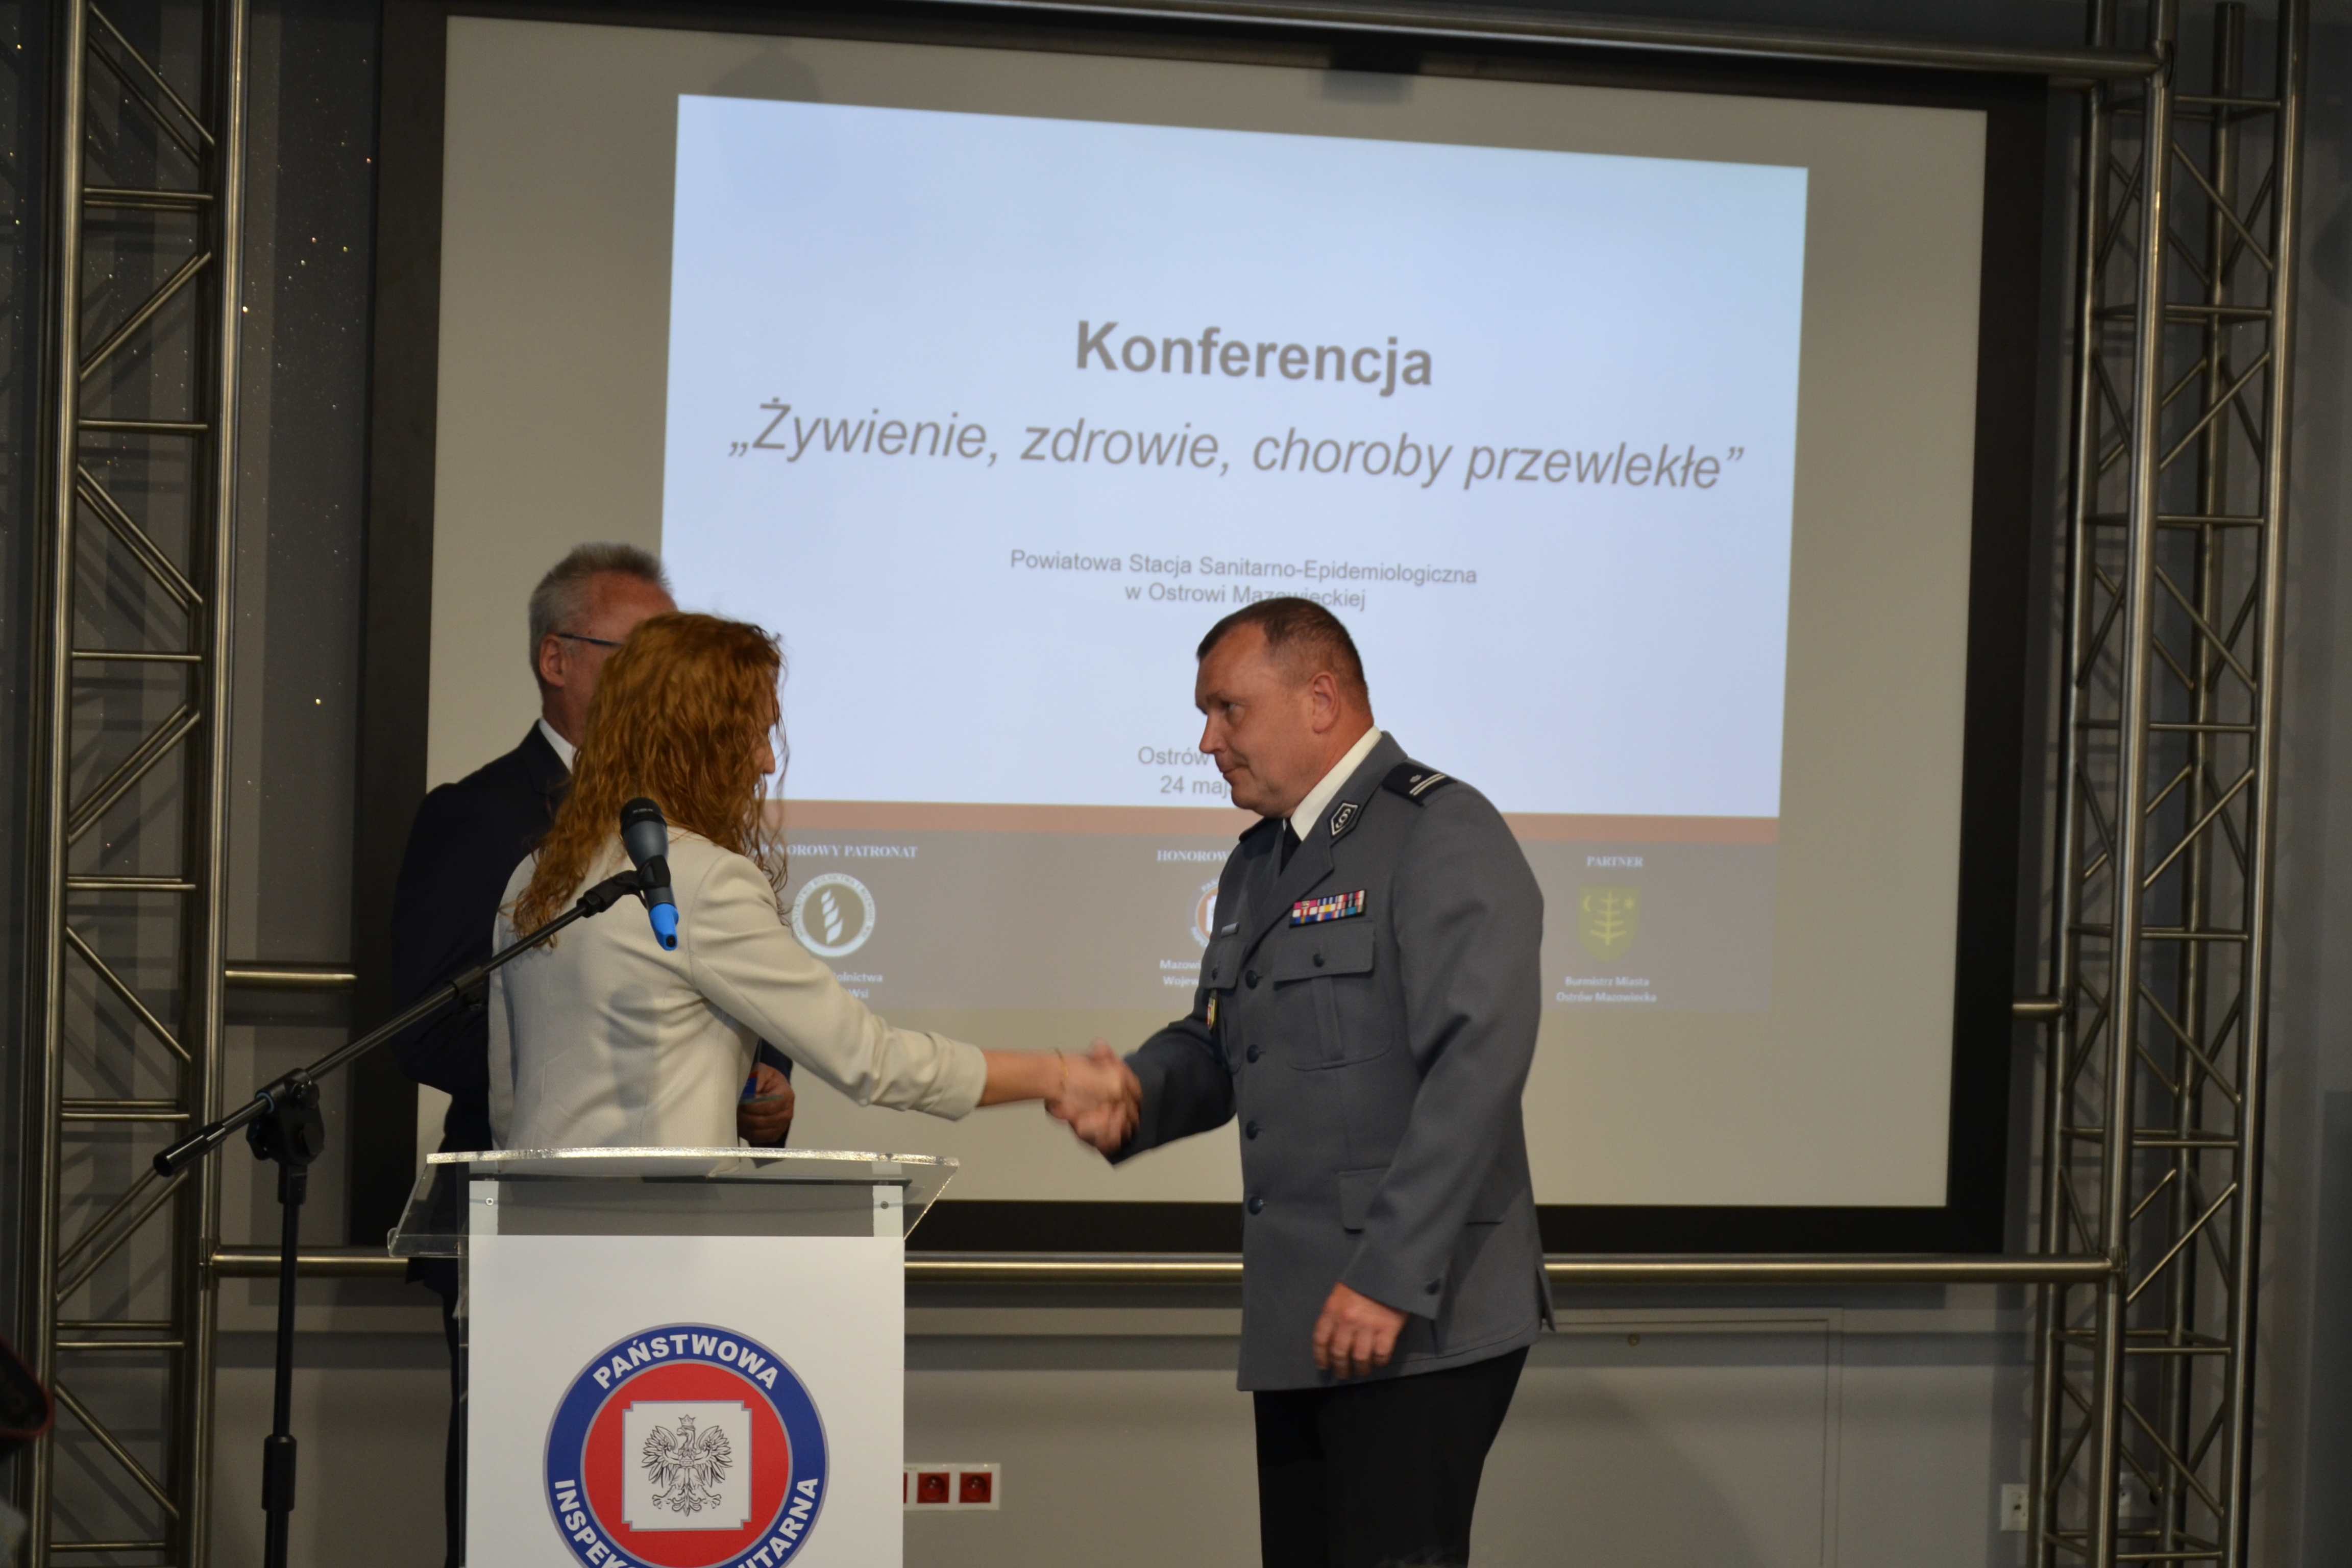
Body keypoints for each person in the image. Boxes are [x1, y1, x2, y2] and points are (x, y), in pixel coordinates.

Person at [1057, 597, 1548, 1568]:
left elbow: (1476, 1068)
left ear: (1320, 700)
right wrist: (1134, 1092)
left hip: (1413, 1311)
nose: (1208, 741)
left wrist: (1389, 1275)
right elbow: (1218, 1045)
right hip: (1304, 1314)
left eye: (1228, 709)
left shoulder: (1440, 830)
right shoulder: (1258, 863)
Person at [385, 544, 789, 1568]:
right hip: (532, 1233)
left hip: (686, 1237)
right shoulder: (480, 814)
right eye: (634, 652)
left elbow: (736, 1007)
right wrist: (599, 1063)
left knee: (661, 1514)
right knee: (526, 1513)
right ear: (555, 659)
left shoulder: (696, 820)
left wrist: (764, 1088)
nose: (658, 678)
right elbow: (425, 1021)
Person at [489, 611, 1131, 1148]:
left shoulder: (535, 874)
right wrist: (1059, 1074)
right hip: (655, 1240)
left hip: (533, 1237)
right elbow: (870, 1059)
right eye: (755, 735)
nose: (768, 761)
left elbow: (508, 1101)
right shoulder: (703, 881)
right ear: (698, 743)